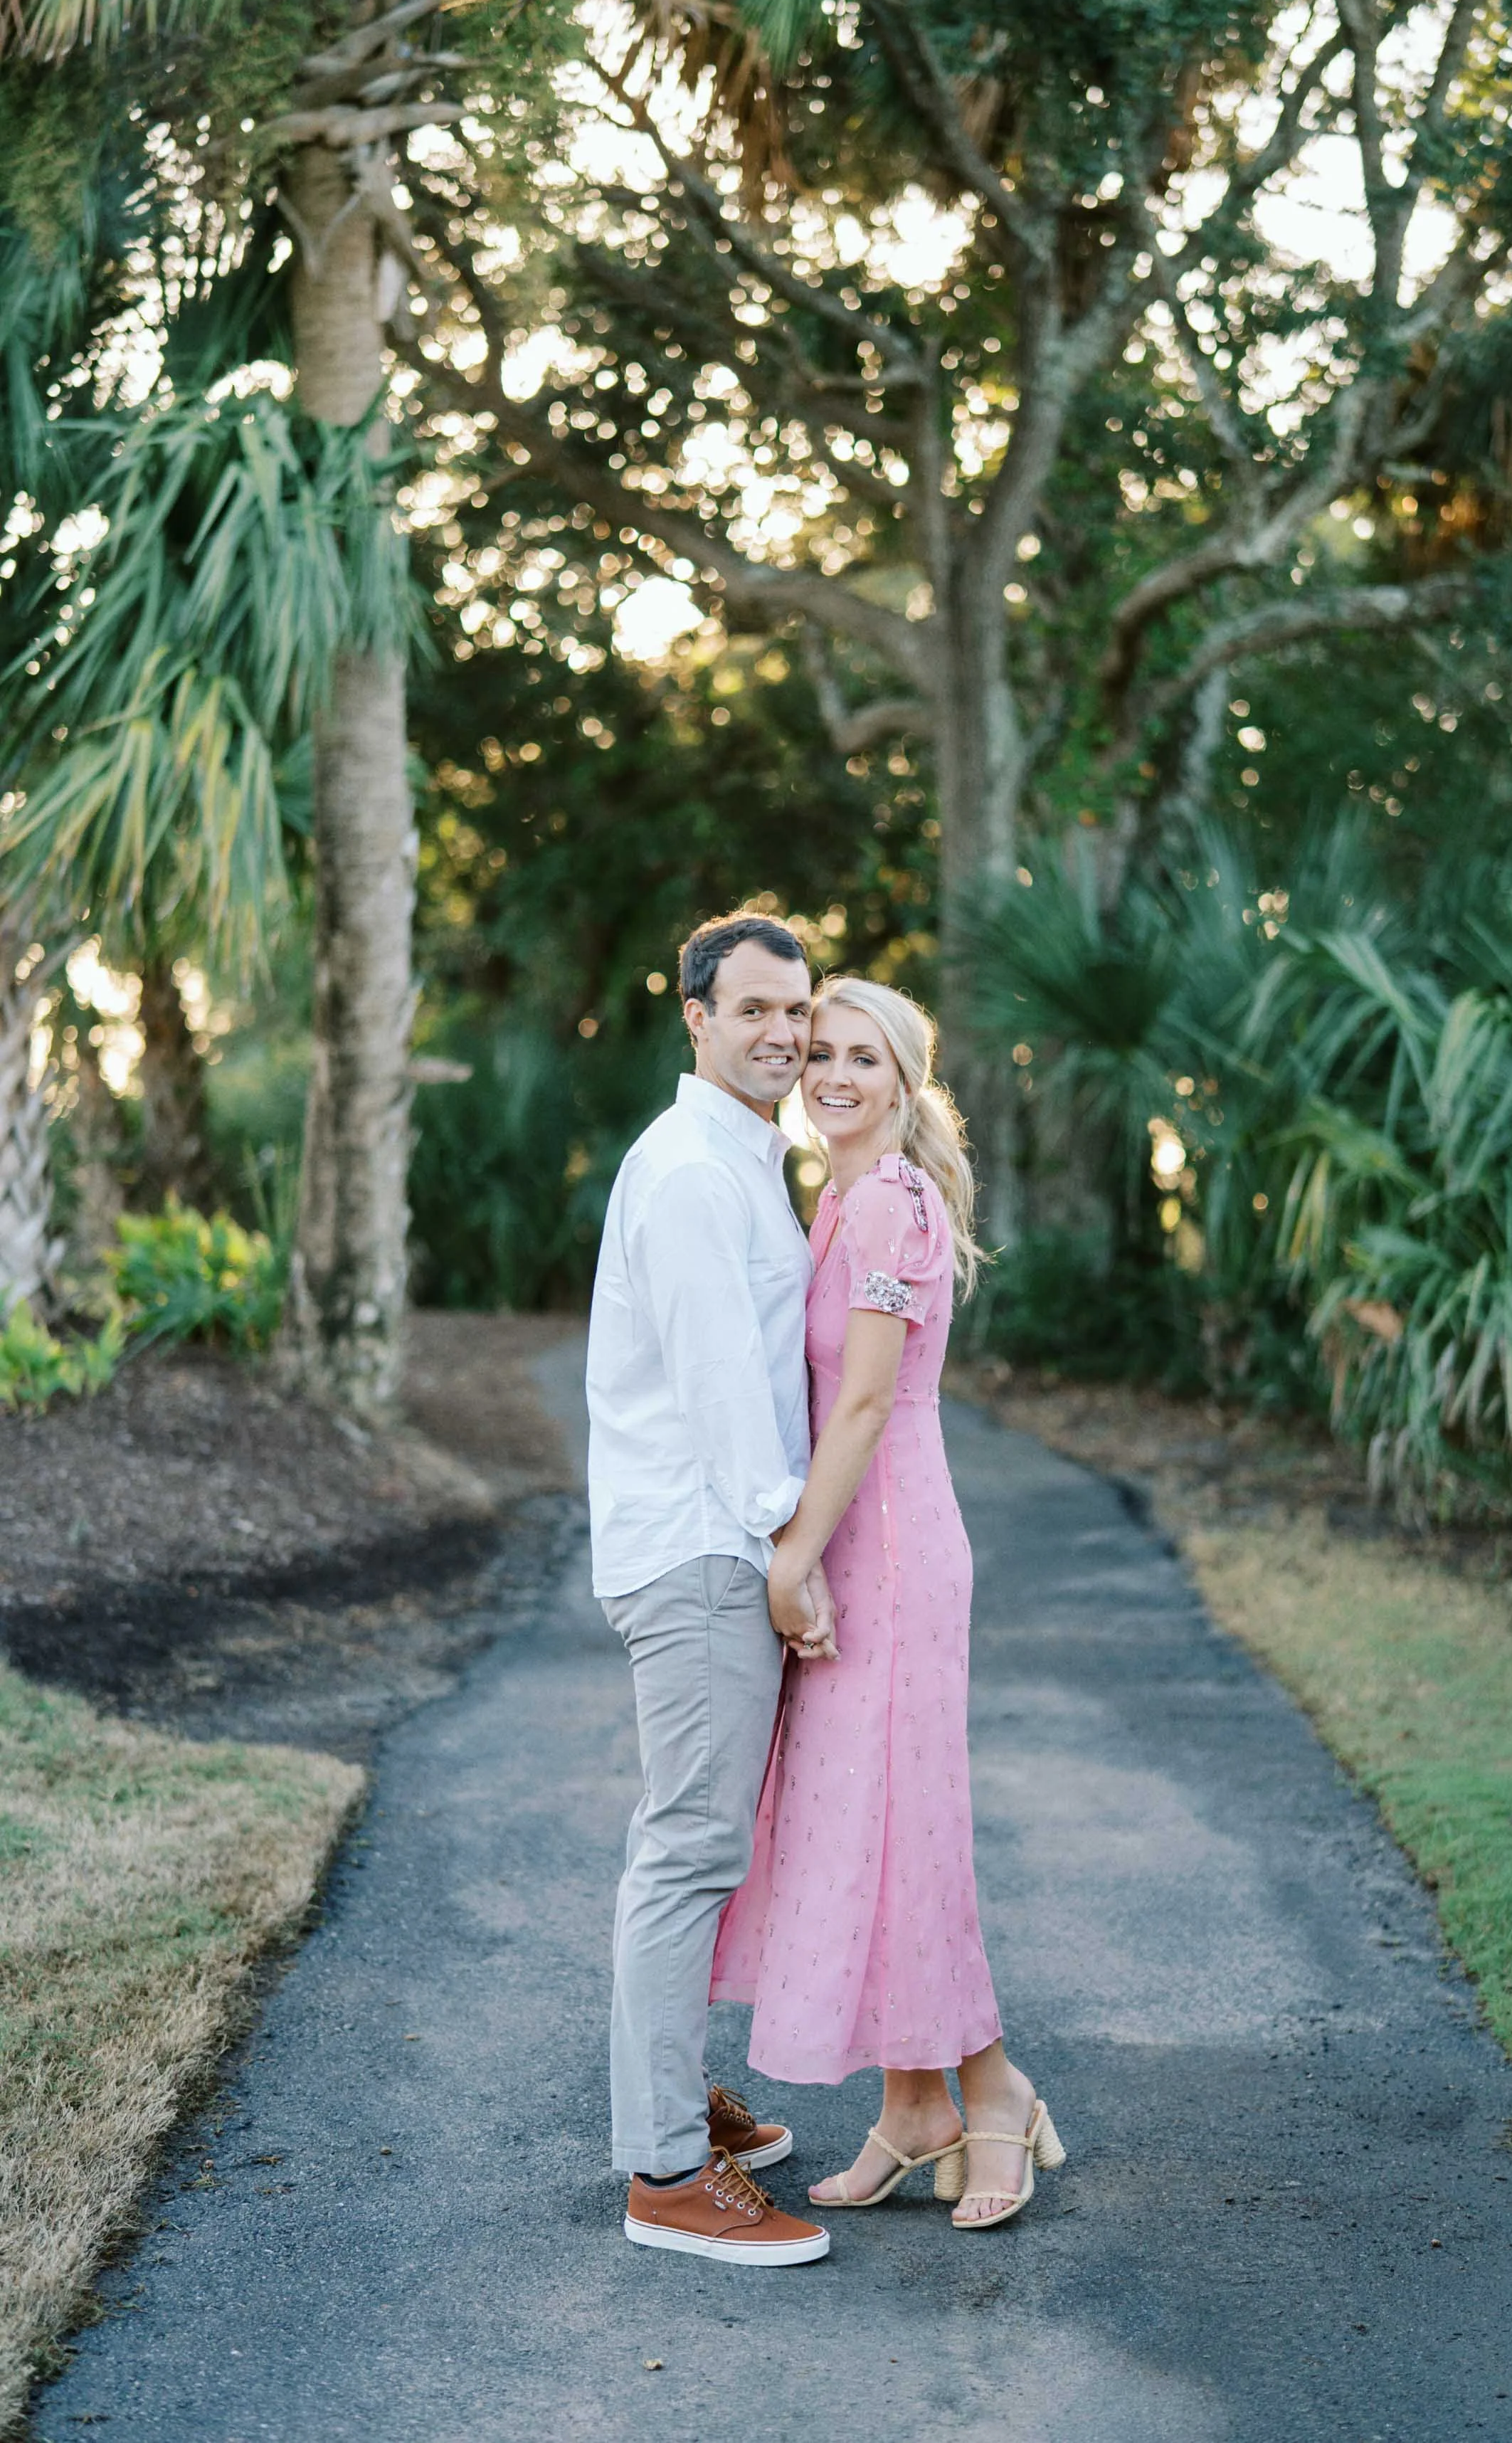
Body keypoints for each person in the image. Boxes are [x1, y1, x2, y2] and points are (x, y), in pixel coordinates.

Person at [713, 977, 1065, 2231]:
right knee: (866, 1831)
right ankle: (914, 2111)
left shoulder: (890, 1205)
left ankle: (996, 2092)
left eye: (863, 1057)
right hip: (851, 1535)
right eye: (820, 1052)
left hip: (893, 1548)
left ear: (908, 1083)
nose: (831, 1074)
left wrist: (793, 1560)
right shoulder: (840, 1201)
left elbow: (863, 1402)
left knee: (909, 1833)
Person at [587, 911, 836, 2267]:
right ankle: (668, 2173)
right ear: (696, 1016)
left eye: (796, 1011)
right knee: (688, 1849)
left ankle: (674, 2095)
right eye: (754, 1010)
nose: (784, 1034)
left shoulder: (745, 1158)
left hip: (716, 1544)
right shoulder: (689, 1171)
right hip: (703, 1549)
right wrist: (787, 1549)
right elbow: (720, 1388)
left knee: (702, 1845)